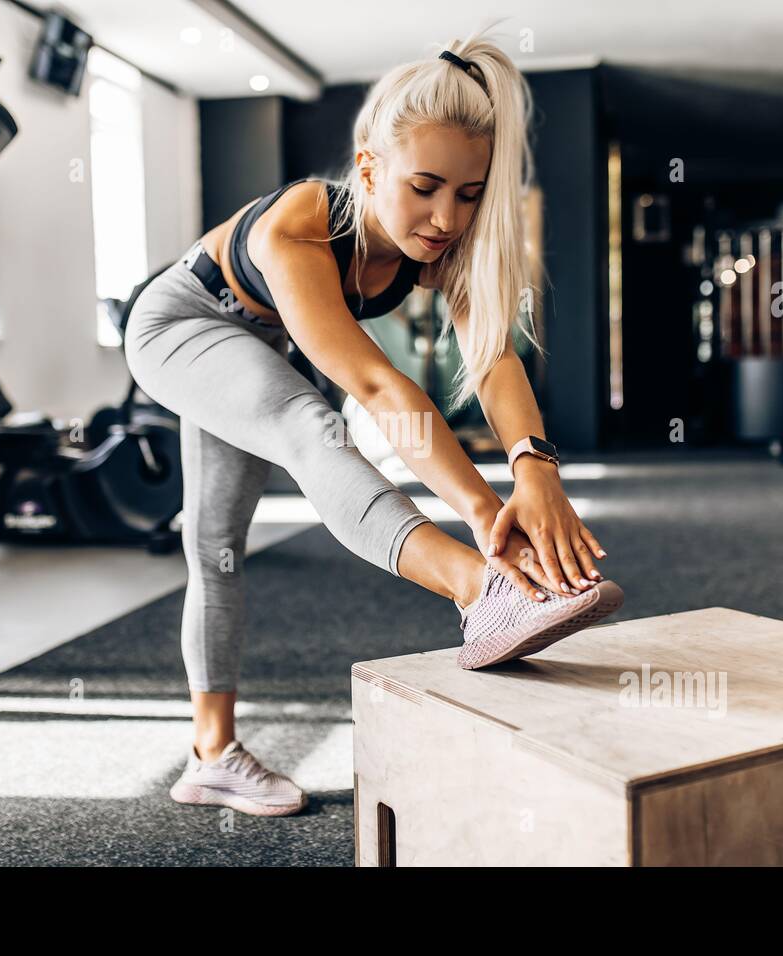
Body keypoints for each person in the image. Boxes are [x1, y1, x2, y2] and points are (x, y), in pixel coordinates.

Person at [125, 27, 622, 818]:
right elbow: (376, 386)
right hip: (181, 326)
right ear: (367, 167)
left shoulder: (447, 247)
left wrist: (536, 469)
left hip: (261, 346)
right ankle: (478, 593)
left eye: (467, 194)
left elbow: (493, 358)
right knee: (310, 424)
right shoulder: (300, 225)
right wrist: (489, 523)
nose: (445, 216)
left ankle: (208, 756)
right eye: (424, 186)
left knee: (216, 545)